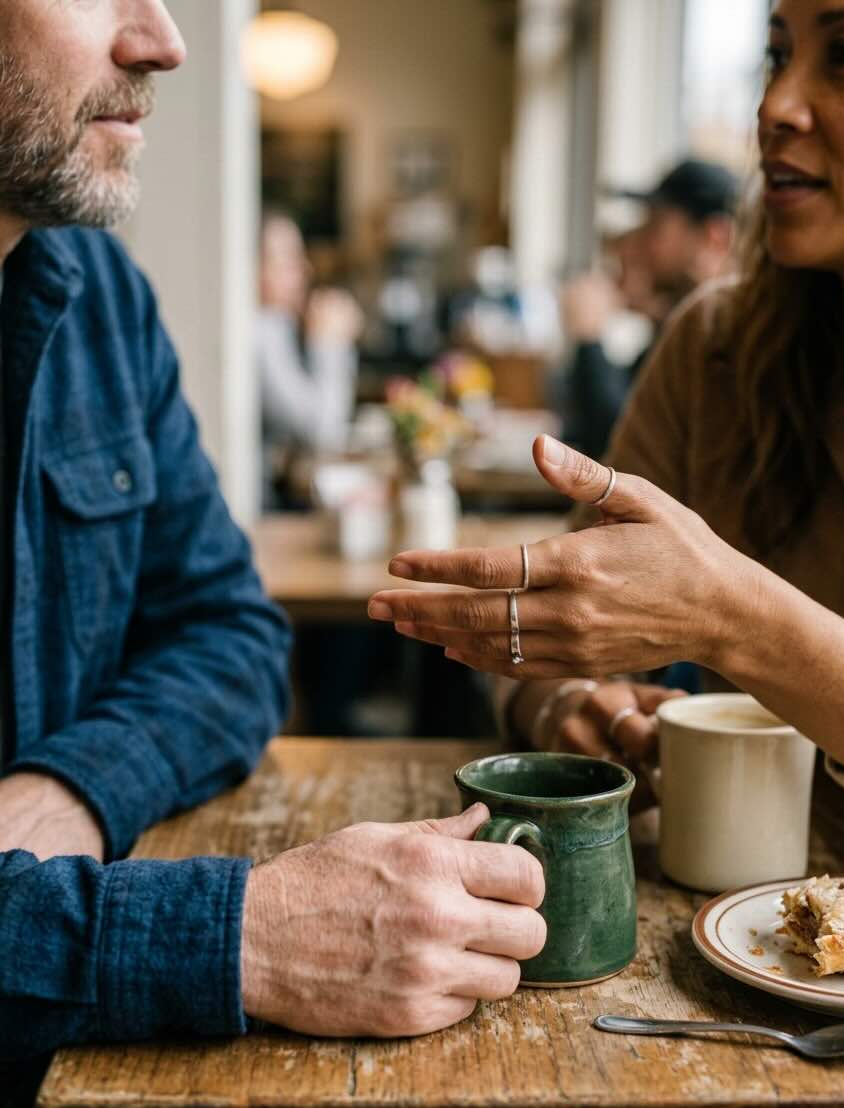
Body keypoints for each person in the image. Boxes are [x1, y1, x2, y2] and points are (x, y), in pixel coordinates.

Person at [0, 0, 546, 1083]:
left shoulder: (98, 294)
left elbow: (232, 636)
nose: (163, 40)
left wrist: (66, 788)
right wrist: (238, 936)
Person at [367, 0, 844, 801]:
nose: (775, 107)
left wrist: (735, 616)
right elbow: (550, 631)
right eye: (775, 57)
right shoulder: (718, 346)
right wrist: (570, 701)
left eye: (843, 57)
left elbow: (707, 596)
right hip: (727, 900)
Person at [561, 158, 738, 460]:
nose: (640, 243)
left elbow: (620, 445)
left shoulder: (725, 334)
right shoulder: (680, 325)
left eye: (655, 225)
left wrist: (589, 338)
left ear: (714, 237)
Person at [258, 212, 363, 504]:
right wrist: (330, 342)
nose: (304, 269)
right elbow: (323, 431)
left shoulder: (277, 323)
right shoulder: (261, 327)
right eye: (288, 260)